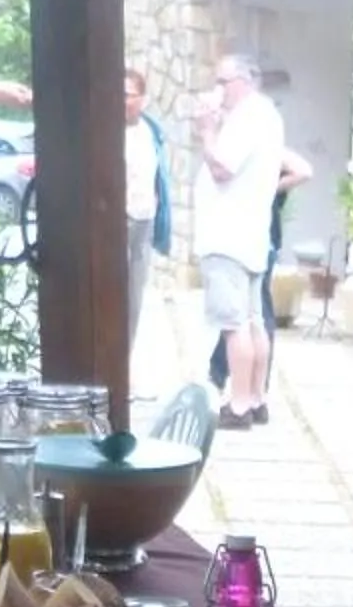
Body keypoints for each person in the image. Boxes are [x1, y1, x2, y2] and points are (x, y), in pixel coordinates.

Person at [192, 54, 285, 429]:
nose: (218, 91)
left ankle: (241, 403)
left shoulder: (248, 118)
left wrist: (206, 131)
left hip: (227, 235)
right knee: (253, 321)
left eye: (222, 82)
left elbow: (222, 167)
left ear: (244, 81)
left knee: (235, 326)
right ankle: (257, 397)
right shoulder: (267, 116)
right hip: (250, 234)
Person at [208, 147, 313, 424]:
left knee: (245, 318)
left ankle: (242, 395)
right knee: (253, 316)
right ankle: (253, 394)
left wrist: (269, 188)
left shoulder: (260, 149)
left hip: (247, 243)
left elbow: (303, 170)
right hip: (257, 241)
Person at [125, 67, 171, 344]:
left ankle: (125, 362)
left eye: (128, 95)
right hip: (116, 220)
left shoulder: (151, 133)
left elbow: (159, 177)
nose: (121, 100)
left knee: (134, 297)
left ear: (142, 99)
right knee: (112, 295)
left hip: (144, 220)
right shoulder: (105, 131)